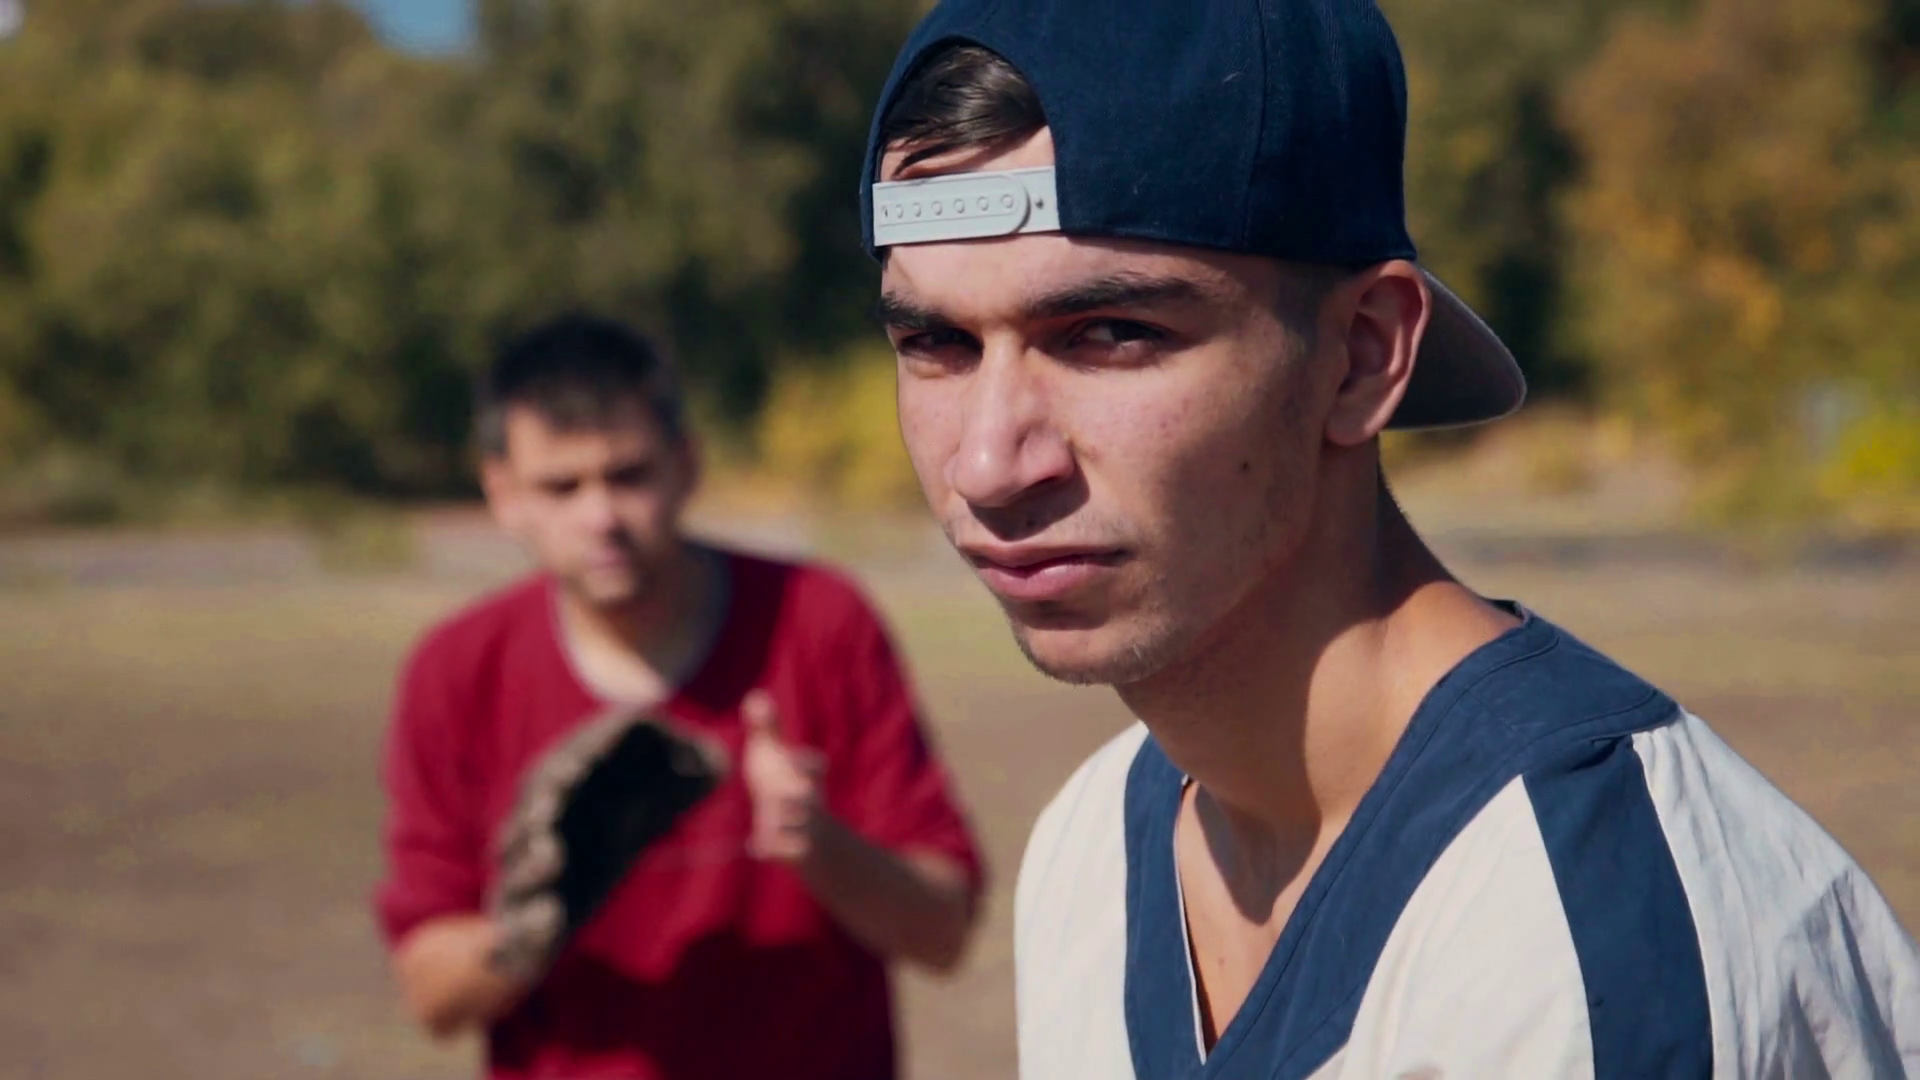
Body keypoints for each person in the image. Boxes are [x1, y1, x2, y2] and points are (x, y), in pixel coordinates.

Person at [856, 3, 1920, 1077]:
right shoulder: (1092, 852)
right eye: (932, 341)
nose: (989, 463)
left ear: (1362, 356)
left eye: (1110, 333)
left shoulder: (1580, 930)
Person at [371, 313, 984, 1080]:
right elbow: (433, 997)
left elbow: (945, 931)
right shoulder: (460, 669)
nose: (601, 517)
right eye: (561, 486)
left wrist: (818, 841)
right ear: (503, 493)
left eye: (627, 475)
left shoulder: (817, 621)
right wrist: (540, 916)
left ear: (686, 464)